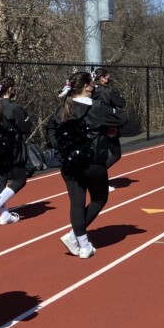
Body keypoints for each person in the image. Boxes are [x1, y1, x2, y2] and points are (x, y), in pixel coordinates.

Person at [47, 71, 127, 259]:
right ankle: (76, 237)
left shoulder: (63, 108)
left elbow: (50, 131)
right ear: (87, 87)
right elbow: (123, 118)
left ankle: (82, 244)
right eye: (92, 84)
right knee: (99, 199)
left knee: (76, 202)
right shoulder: (97, 107)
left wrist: (64, 148)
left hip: (69, 163)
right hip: (93, 162)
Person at [0, 78, 33, 225]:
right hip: (13, 148)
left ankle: (4, 215)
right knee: (20, 180)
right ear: (9, 89)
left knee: (1, 180)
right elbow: (25, 128)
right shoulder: (13, 107)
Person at [93, 67, 126, 188]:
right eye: (107, 77)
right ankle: (99, 177)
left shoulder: (91, 90)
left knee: (101, 153)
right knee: (116, 153)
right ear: (102, 78)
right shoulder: (106, 91)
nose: (108, 79)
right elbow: (121, 102)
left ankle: (99, 177)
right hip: (108, 124)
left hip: (94, 125)